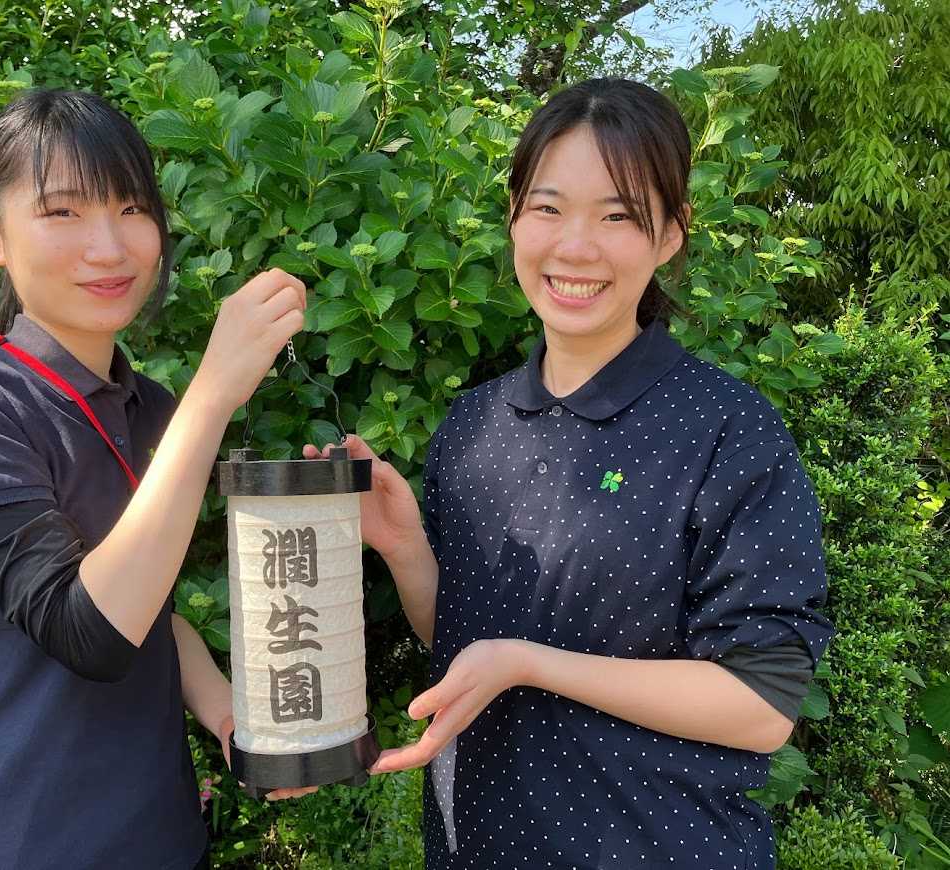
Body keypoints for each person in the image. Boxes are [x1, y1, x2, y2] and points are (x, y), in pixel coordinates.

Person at [305, 78, 834, 869]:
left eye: (618, 216)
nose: (575, 246)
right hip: (475, 847)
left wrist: (531, 665)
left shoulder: (726, 428)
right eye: (548, 208)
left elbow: (763, 704)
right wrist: (406, 548)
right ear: (514, 218)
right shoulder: (473, 425)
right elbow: (464, 644)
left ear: (671, 235)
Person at [0, 88, 313, 870]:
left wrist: (227, 713)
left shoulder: (152, 409)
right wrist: (214, 394)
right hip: (9, 845)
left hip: (163, 840)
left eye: (132, 208)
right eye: (62, 212)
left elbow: (150, 608)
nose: (111, 248)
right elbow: (90, 631)